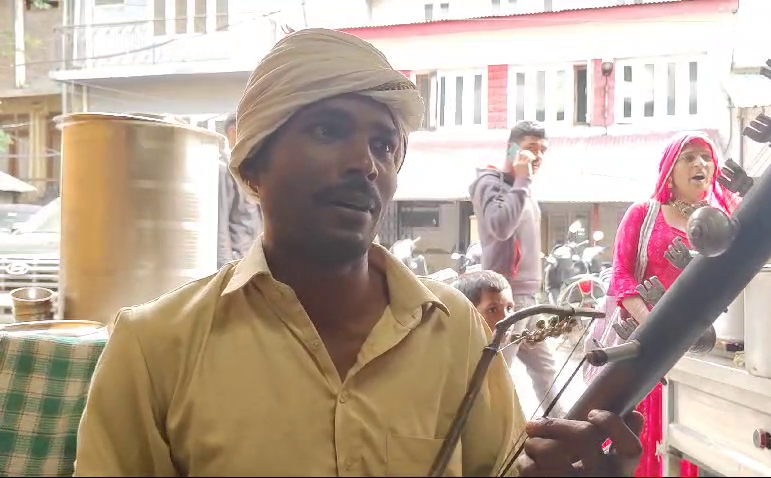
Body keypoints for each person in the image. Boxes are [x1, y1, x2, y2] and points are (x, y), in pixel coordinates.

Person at [73, 28, 644, 477]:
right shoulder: (155, 349)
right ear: (253, 163)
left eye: (383, 144)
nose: (364, 163)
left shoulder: (458, 336)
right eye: (327, 130)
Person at [602, 131, 740, 478]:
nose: (700, 164)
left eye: (706, 157)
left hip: (700, 353)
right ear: (669, 169)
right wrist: (654, 327)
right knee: (646, 439)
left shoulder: (722, 223)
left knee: (694, 444)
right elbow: (622, 276)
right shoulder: (644, 214)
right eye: (689, 157)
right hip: (646, 351)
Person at [469, 120, 563, 417]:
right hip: (504, 298)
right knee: (497, 373)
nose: (537, 157)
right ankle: (491, 435)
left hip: (529, 297)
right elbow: (500, 226)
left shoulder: (525, 189)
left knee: (545, 369)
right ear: (512, 148)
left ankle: (561, 430)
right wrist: (522, 181)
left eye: (543, 150)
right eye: (531, 148)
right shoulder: (490, 183)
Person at [218, 113, 263, 268]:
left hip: (251, 259)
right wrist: (226, 268)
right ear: (233, 132)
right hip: (236, 262)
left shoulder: (251, 167)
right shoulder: (224, 170)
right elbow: (220, 224)